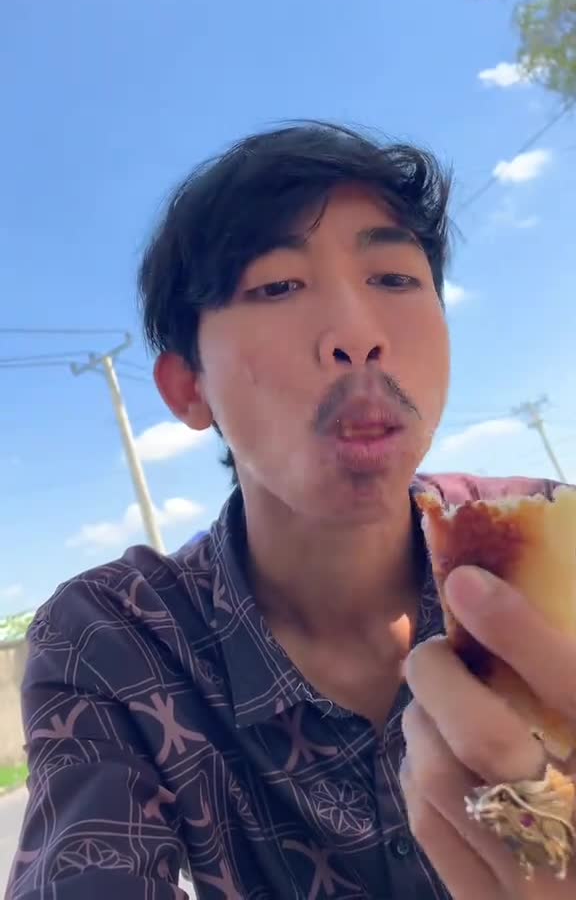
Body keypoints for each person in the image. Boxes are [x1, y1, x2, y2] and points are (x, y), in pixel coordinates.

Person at [8, 123, 575, 899]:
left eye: (394, 278)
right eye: (277, 287)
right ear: (189, 388)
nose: (358, 337)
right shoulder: (115, 640)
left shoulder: (544, 542)